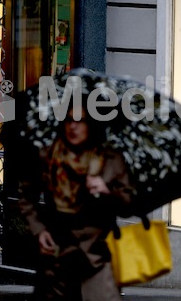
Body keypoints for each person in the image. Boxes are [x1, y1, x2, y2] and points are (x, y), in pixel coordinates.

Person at [17, 104, 135, 300]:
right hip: (56, 257)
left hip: (96, 258)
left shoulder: (110, 160)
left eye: (80, 121)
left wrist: (107, 190)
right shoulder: (48, 156)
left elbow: (129, 202)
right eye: (69, 120)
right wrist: (39, 230)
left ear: (92, 125)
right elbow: (26, 197)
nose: (73, 126)